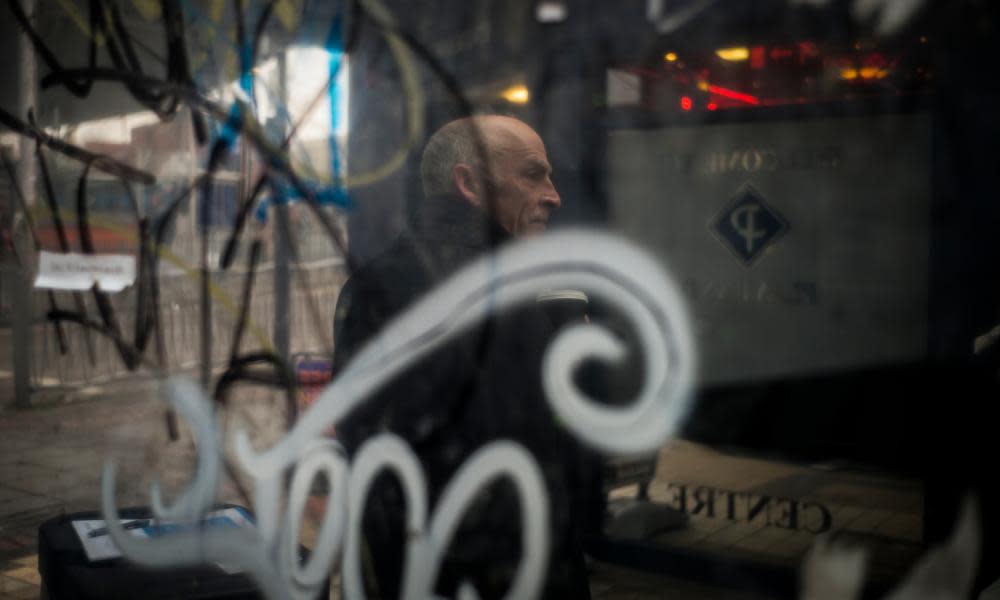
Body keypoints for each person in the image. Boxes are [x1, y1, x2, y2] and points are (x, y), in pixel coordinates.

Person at [332, 115, 597, 598]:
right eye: (534, 174)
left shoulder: (367, 288)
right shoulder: (507, 297)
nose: (554, 195)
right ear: (469, 183)